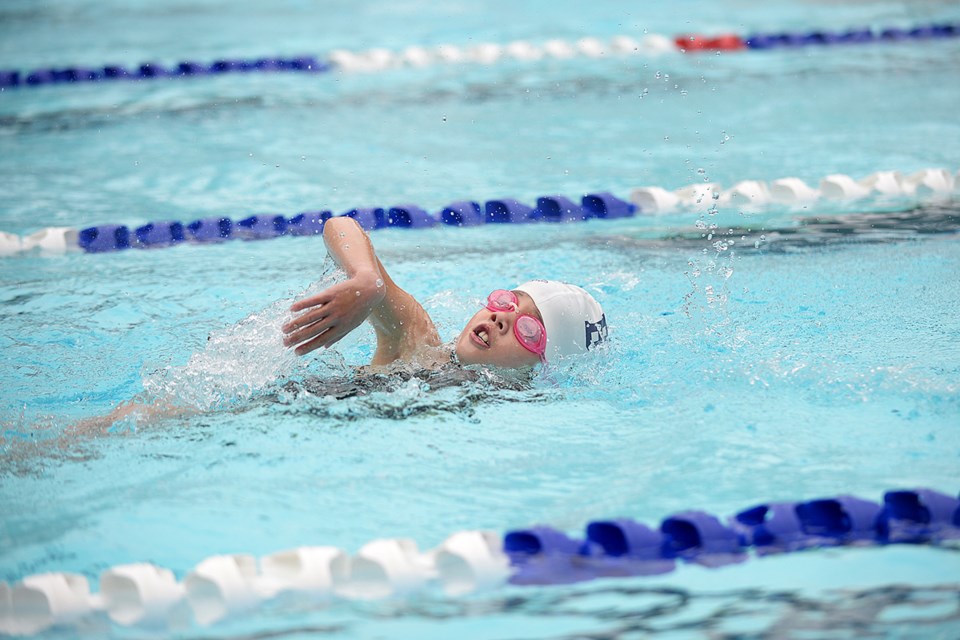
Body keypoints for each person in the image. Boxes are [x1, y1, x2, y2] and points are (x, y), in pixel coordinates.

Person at [281, 216, 608, 371]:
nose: (501, 317)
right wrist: (368, 280)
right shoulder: (418, 342)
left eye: (529, 328)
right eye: (508, 301)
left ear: (544, 365)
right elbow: (340, 227)